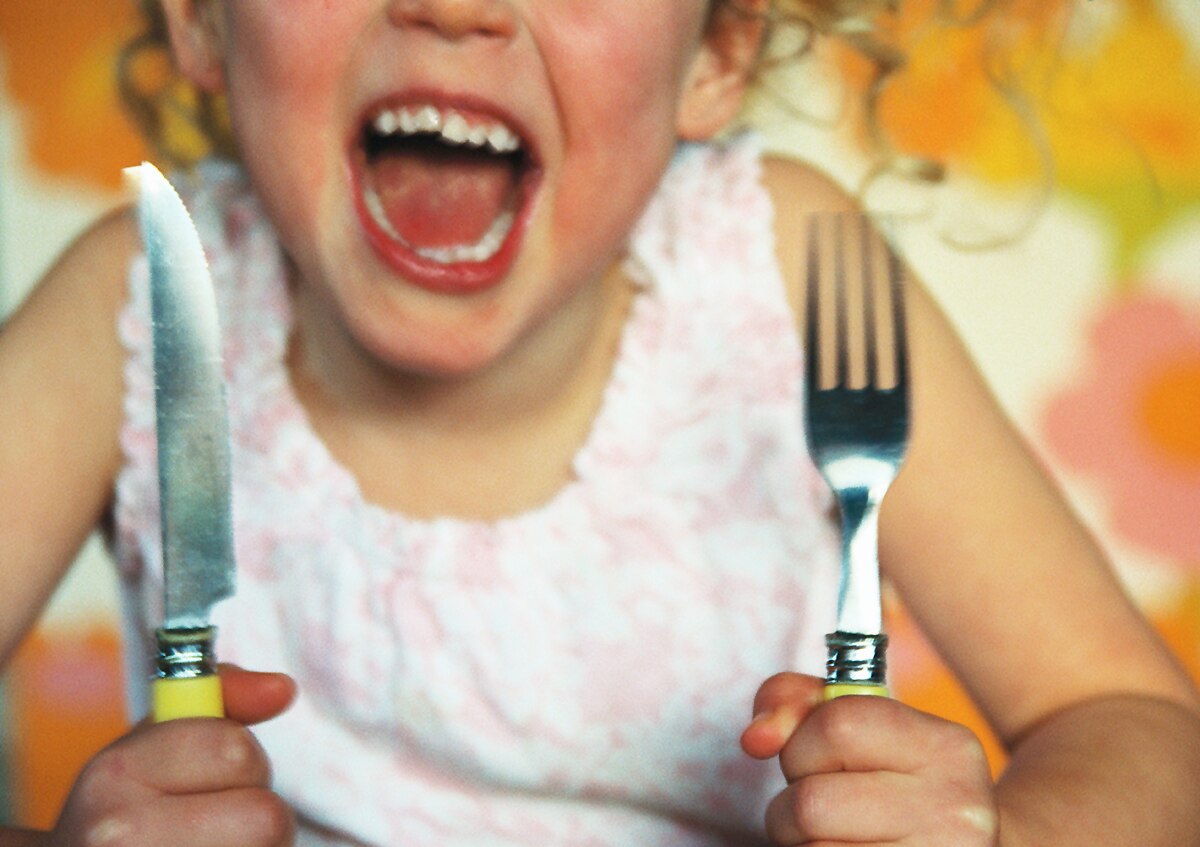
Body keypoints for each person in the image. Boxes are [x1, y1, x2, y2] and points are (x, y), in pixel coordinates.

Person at [1, 0, 1198, 844]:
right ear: (203, 19)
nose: (456, 8)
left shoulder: (776, 273)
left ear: (715, 53)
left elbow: (1139, 727)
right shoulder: (147, 305)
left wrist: (1006, 837)